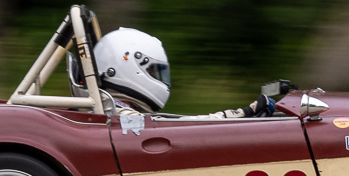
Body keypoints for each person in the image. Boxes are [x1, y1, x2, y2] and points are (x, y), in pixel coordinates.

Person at [87, 27, 282, 118]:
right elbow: (178, 127)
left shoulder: (110, 109)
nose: (161, 81)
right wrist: (242, 114)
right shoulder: (118, 115)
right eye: (155, 72)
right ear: (127, 65)